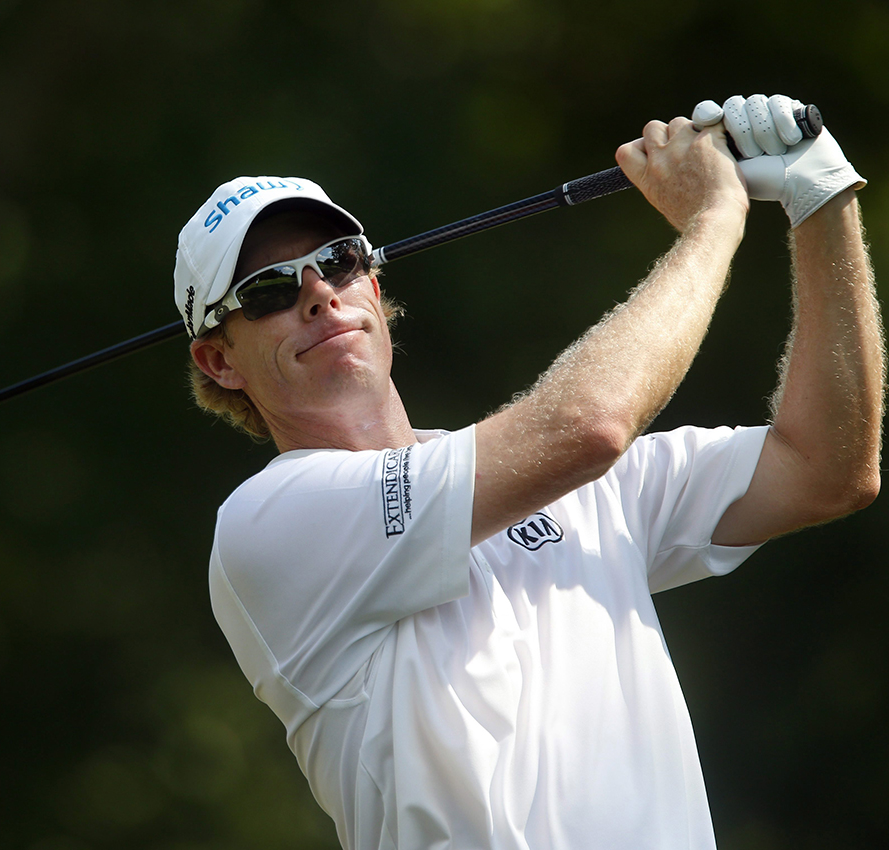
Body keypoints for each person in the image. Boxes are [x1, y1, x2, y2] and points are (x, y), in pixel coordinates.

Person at [172, 94, 883, 850]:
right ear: (219, 360)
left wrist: (821, 196)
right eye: (270, 292)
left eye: (339, 263)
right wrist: (714, 221)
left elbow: (824, 468)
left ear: (373, 288)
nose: (317, 293)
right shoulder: (273, 520)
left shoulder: (556, 479)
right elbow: (590, 426)